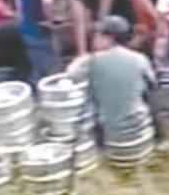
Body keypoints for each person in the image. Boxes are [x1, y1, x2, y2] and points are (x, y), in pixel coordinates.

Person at [67, 15, 157, 167]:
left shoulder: (91, 62)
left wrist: (86, 55)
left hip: (113, 143)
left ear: (110, 37)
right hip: (142, 138)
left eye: (98, 35)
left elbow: (70, 75)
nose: (94, 39)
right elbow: (152, 86)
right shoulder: (140, 59)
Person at [19, 0, 58, 86]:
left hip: (27, 28)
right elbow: (47, 1)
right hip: (39, 30)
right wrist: (50, 20)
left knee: (37, 67)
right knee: (49, 69)